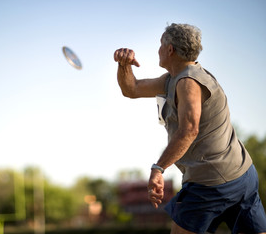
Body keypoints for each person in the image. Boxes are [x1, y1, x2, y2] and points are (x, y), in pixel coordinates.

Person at [114, 23, 266, 234]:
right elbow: (132, 89)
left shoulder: (188, 82)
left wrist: (158, 169)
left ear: (170, 50)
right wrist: (124, 65)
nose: (158, 49)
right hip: (243, 174)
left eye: (160, 44)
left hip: (210, 184)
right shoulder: (173, 79)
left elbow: (188, 130)